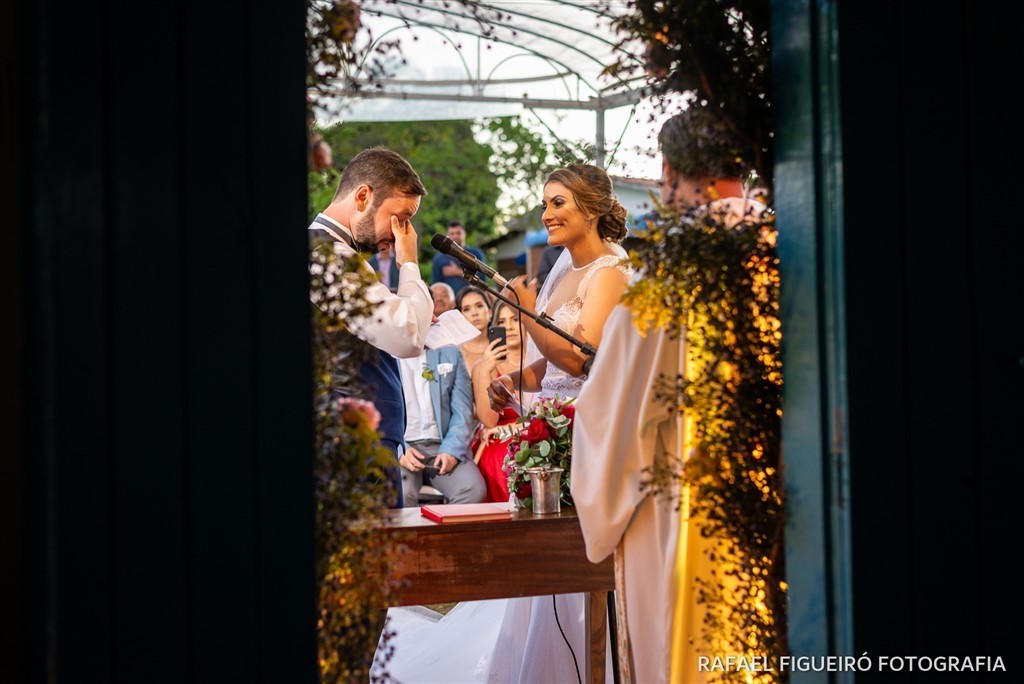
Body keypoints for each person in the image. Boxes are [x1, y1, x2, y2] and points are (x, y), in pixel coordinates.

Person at [374, 164, 631, 683]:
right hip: (549, 430)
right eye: (544, 203)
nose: (546, 213)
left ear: (593, 207)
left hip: (588, 436)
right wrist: (517, 384)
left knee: (575, 568)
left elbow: (586, 361)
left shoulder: (612, 273)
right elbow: (550, 363)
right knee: (541, 571)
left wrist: (530, 315)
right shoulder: (559, 269)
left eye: (558, 202)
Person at [571, 108, 767, 683]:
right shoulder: (794, 254)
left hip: (684, 512)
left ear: (671, 171)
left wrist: (599, 515)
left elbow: (613, 416)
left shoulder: (675, 279)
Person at [308, 146, 431, 508]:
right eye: (400, 218)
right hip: (354, 440)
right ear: (363, 196)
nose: (401, 233)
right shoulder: (326, 254)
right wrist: (409, 263)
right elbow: (408, 336)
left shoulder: (337, 253)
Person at [396, 345, 487, 506]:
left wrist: (451, 449)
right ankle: (415, 532)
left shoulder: (449, 351)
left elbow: (463, 410)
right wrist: (399, 449)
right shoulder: (385, 354)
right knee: (401, 493)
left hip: (443, 444)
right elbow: (378, 411)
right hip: (403, 446)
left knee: (473, 489)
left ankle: (442, 531)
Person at [470, 301, 531, 502]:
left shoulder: (538, 362)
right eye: (502, 322)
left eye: (515, 319)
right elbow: (489, 422)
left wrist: (513, 428)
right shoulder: (482, 367)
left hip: (537, 432)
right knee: (502, 457)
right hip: (498, 441)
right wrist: (487, 372)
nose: (510, 327)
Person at [431, 220, 486, 295]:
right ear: (448, 236)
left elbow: (483, 279)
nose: (455, 236)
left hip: (473, 296)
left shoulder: (476, 254)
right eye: (452, 233)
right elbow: (436, 284)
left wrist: (457, 272)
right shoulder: (438, 259)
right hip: (450, 301)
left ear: (465, 234)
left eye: (458, 233)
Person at [454, 285, 492, 375]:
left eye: (479, 306)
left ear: (490, 312)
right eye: (467, 309)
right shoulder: (455, 352)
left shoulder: (502, 347)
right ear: (460, 316)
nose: (474, 313)